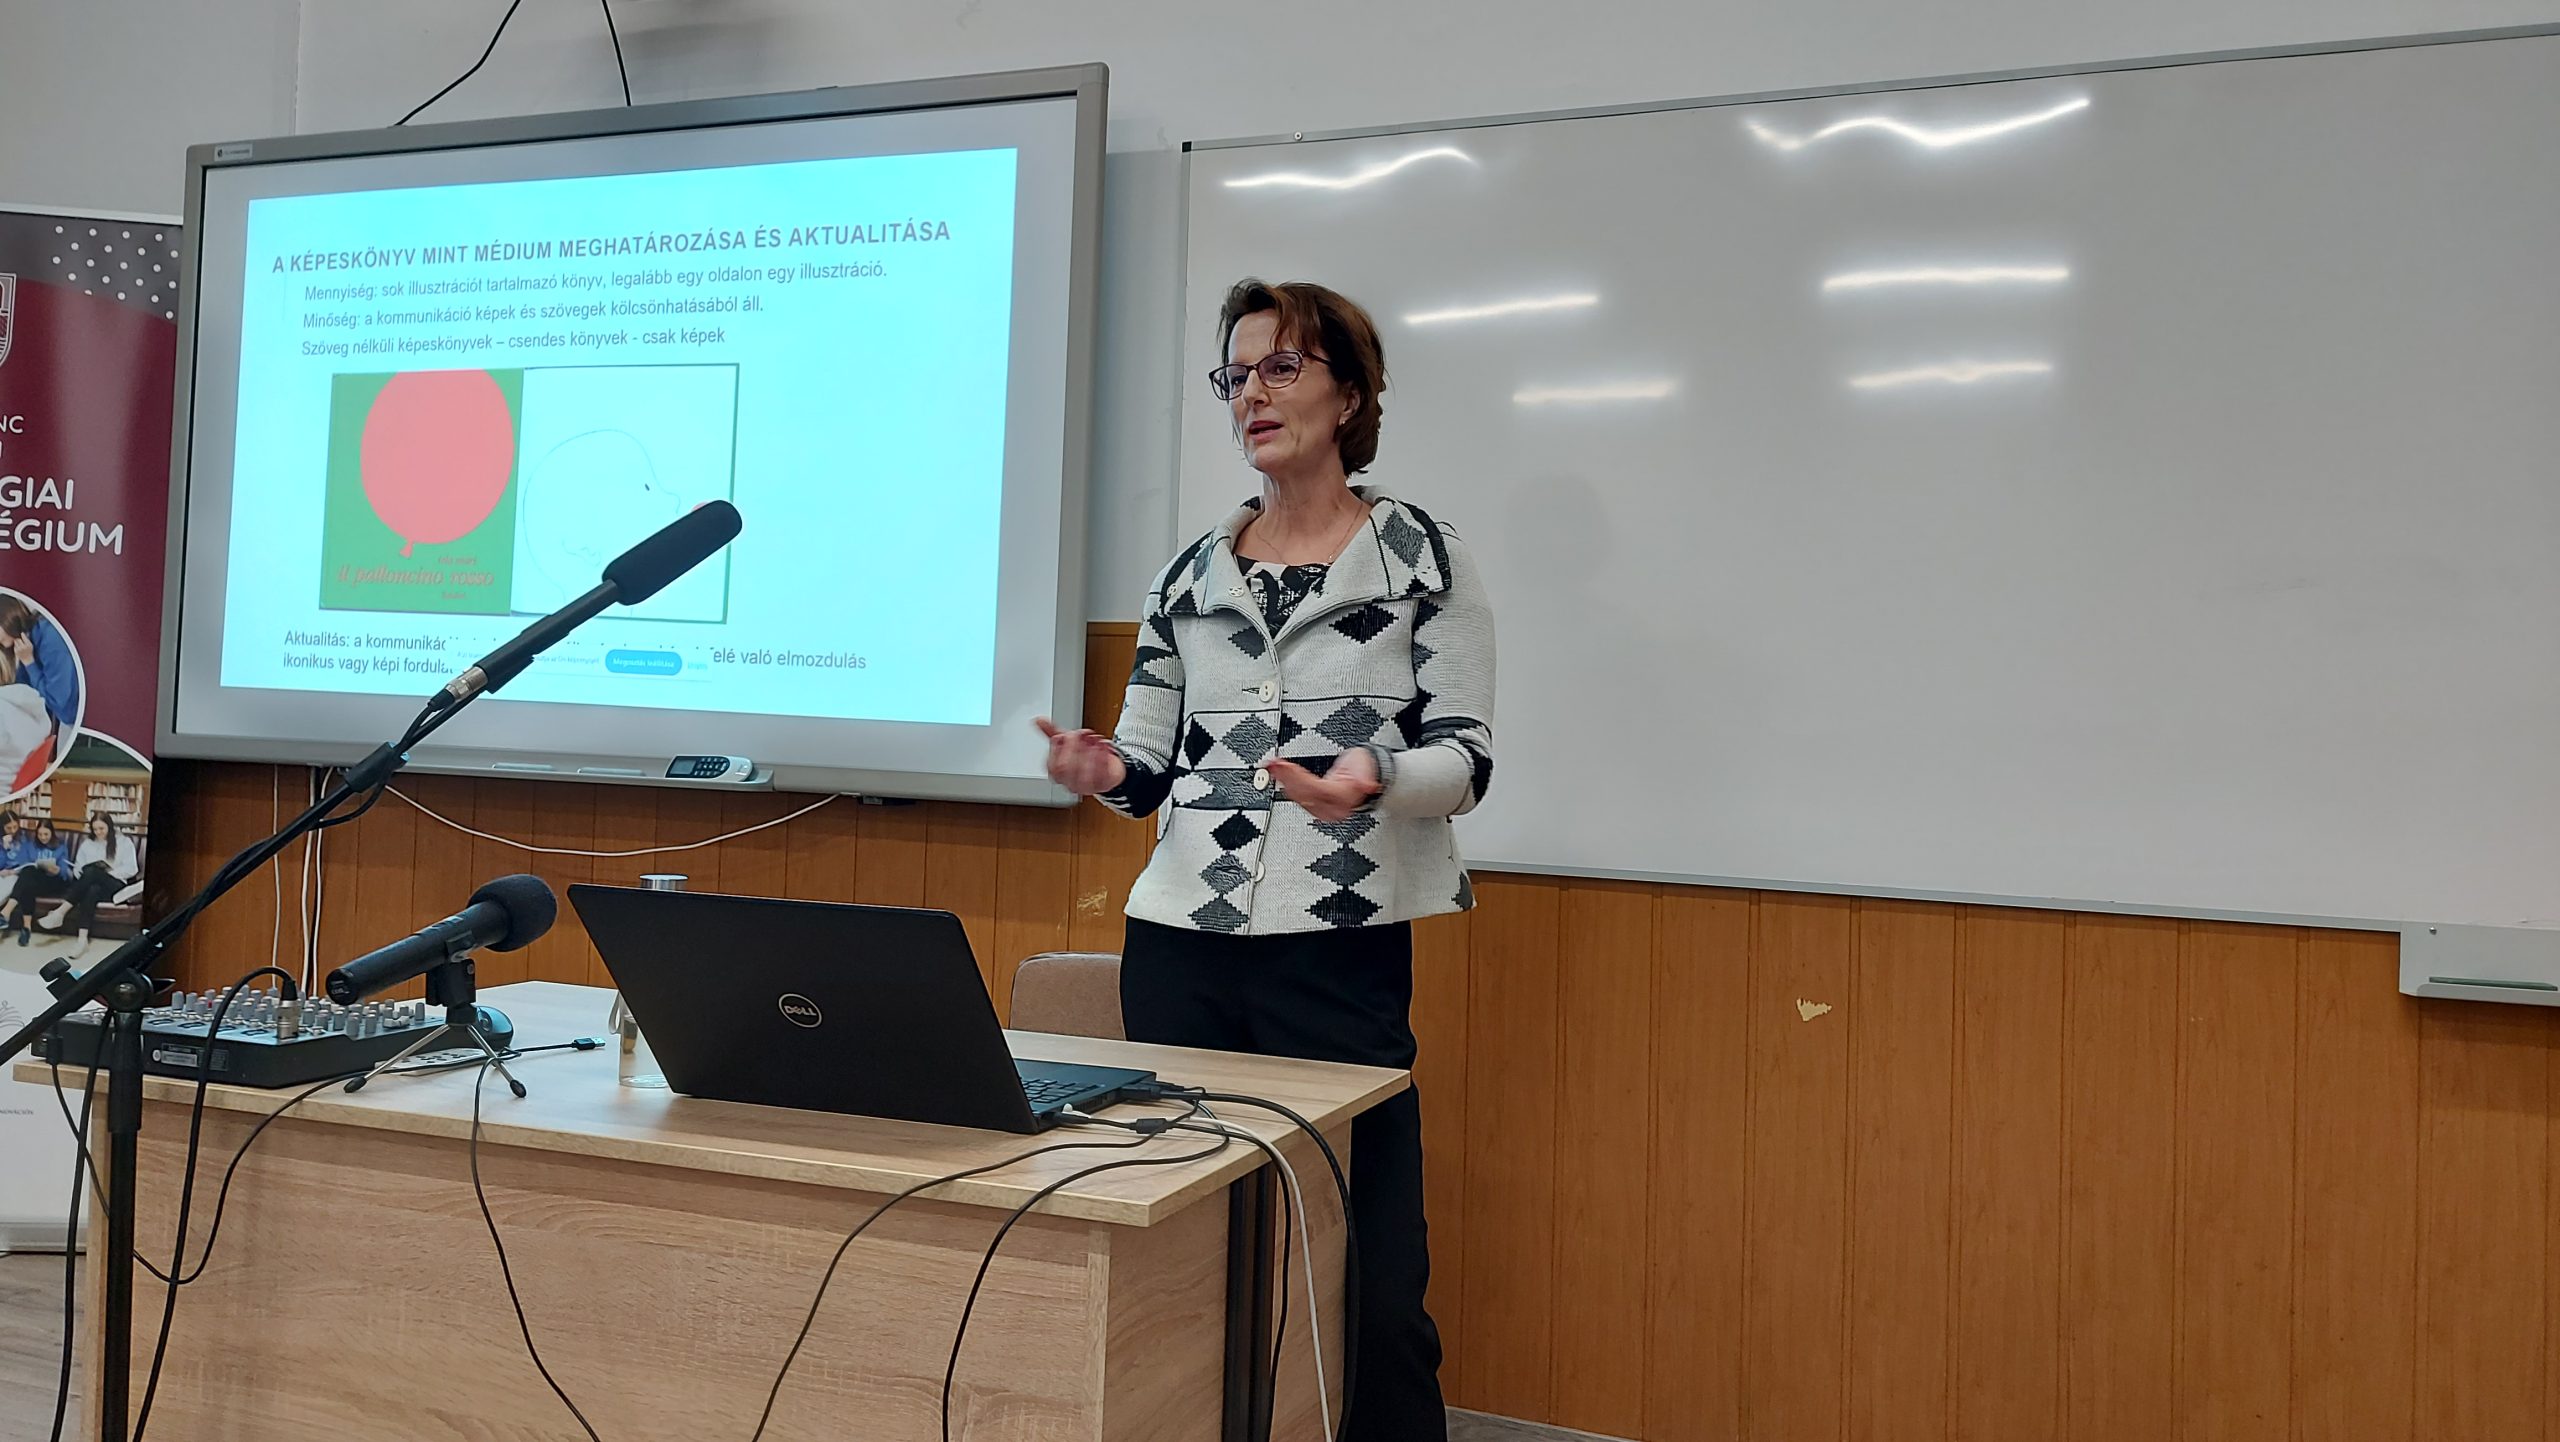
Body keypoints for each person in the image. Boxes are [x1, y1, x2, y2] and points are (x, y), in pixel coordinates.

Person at [1035, 278, 1493, 1442]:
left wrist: (1372, 775)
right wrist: (1100, 768)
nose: (1253, 394)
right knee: (1187, 1246)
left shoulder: (1420, 556)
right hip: (1179, 942)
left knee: (1368, 1264)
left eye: (1281, 367)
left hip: (1337, 941)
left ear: (1350, 392)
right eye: (1235, 375)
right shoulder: (1189, 572)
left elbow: (1465, 759)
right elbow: (1147, 766)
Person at [28, 813, 139, 952]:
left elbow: (132, 869)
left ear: (109, 827)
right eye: (95, 829)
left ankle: (60, 912)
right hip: (93, 885)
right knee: (92, 889)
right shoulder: (87, 844)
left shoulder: (124, 842)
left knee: (93, 872)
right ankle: (82, 940)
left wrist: (105, 874)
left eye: (101, 828)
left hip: (115, 884)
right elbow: (78, 868)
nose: (98, 832)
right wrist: (85, 874)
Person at [0, 596, 80, 734]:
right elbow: (23, 695)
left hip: (77, 722)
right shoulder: (22, 644)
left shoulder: (50, 636)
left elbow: (64, 710)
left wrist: (29, 662)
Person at [5, 817, 71, 943]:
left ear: (52, 833)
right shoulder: (30, 845)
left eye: (46, 834)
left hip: (54, 882)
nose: (43, 837)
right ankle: (27, 927)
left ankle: (7, 912)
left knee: (27, 879)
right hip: (36, 881)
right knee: (28, 876)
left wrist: (57, 870)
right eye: (40, 834)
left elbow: (65, 871)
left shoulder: (60, 847)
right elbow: (22, 864)